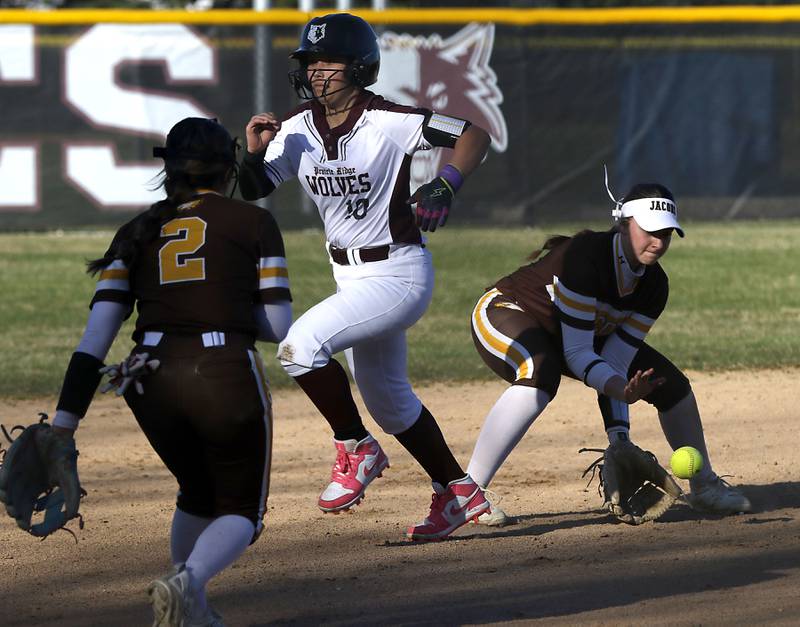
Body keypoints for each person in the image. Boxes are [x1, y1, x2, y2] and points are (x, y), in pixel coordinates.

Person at [239, 12, 493, 541]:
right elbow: (255, 187)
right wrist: (254, 152)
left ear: (359, 67)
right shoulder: (295, 128)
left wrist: (446, 182)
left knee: (299, 347)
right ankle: (457, 491)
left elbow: (472, 134)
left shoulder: (389, 120)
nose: (316, 72)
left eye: (327, 61)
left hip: (398, 274)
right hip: (349, 277)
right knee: (389, 400)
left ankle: (355, 447)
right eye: (309, 62)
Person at [49, 117, 292, 625]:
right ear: (228, 169)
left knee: (197, 491)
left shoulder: (134, 230)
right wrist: (221, 304)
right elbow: (275, 325)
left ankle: (191, 612)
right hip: (220, 371)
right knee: (242, 511)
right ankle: (187, 581)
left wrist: (63, 426)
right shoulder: (253, 222)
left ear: (169, 169)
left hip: (147, 378)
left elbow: (93, 343)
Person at [466, 179, 751, 523]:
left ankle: (704, 486)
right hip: (506, 312)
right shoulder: (586, 257)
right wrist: (619, 389)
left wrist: (620, 439)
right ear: (623, 222)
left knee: (672, 386)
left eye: (667, 234)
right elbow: (579, 354)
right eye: (650, 231)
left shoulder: (655, 286)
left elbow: (616, 361)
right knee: (541, 372)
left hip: (571, 335)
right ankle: (467, 494)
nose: (659, 242)